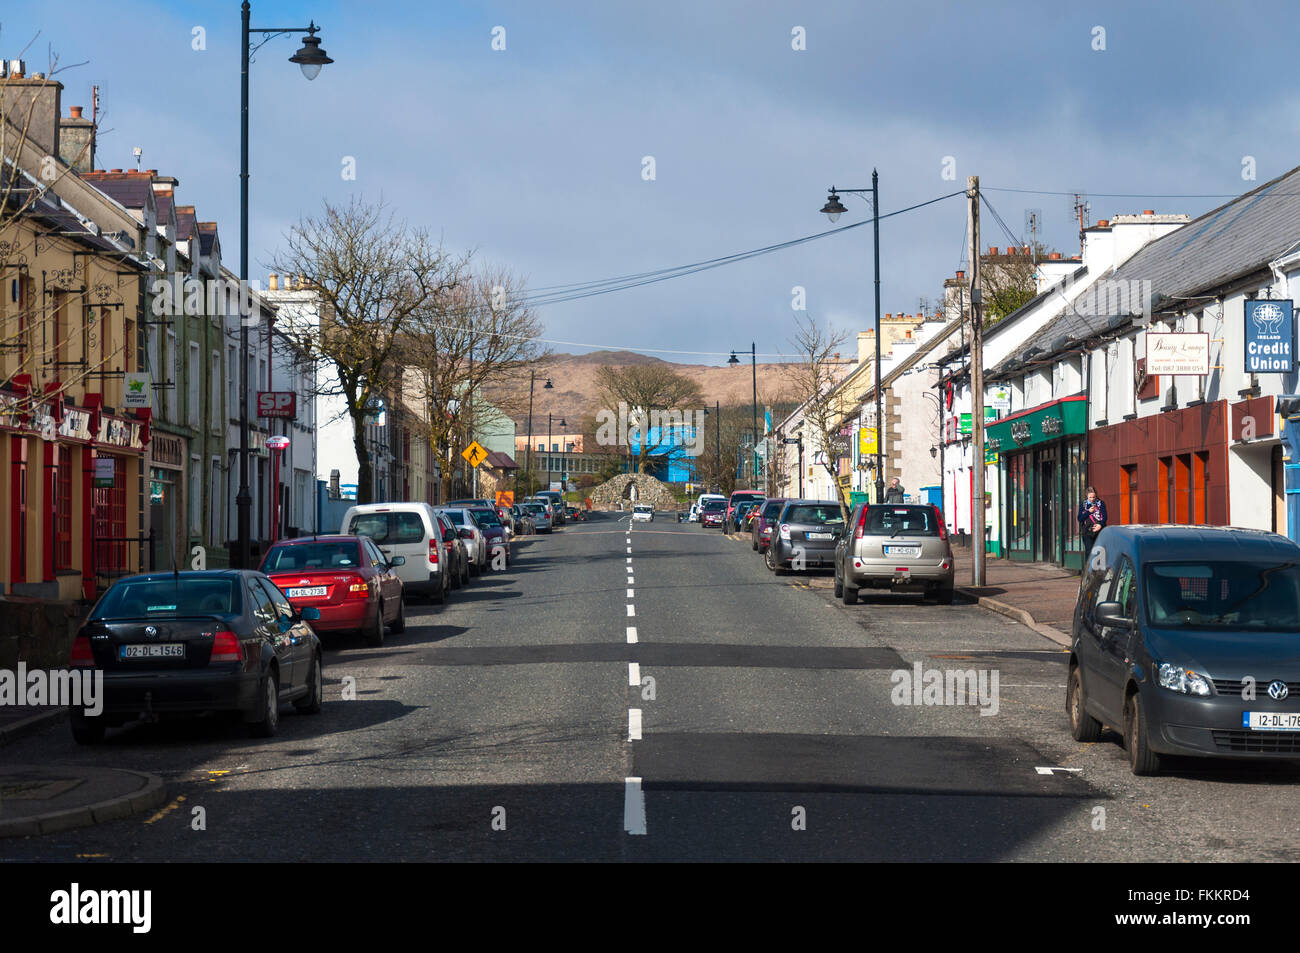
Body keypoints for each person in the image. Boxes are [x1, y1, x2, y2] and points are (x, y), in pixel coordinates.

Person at [1077, 486, 1107, 569]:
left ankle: (1099, 572)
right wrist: (1088, 512)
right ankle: (1088, 571)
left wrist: (1100, 525)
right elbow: (1080, 518)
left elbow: (1104, 517)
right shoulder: (1083, 505)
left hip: (1099, 531)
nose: (1092, 499)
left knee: (1100, 551)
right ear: (1087, 496)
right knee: (1089, 551)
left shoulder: (1101, 503)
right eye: (1090, 497)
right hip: (1087, 532)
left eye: (1094, 497)